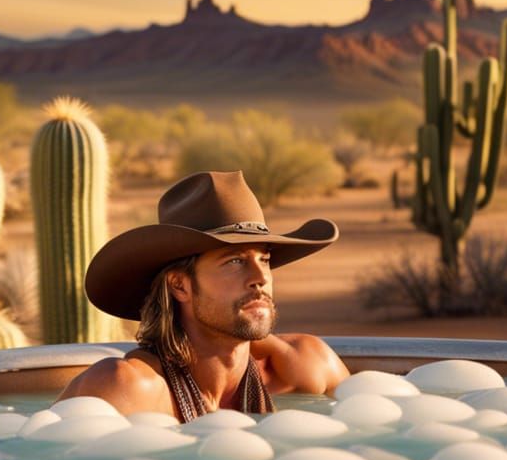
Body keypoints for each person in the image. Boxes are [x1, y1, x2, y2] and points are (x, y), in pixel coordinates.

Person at [56, 170, 349, 421]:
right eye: (235, 262)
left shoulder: (307, 366)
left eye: (264, 259)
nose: (260, 279)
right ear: (179, 286)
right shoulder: (127, 389)